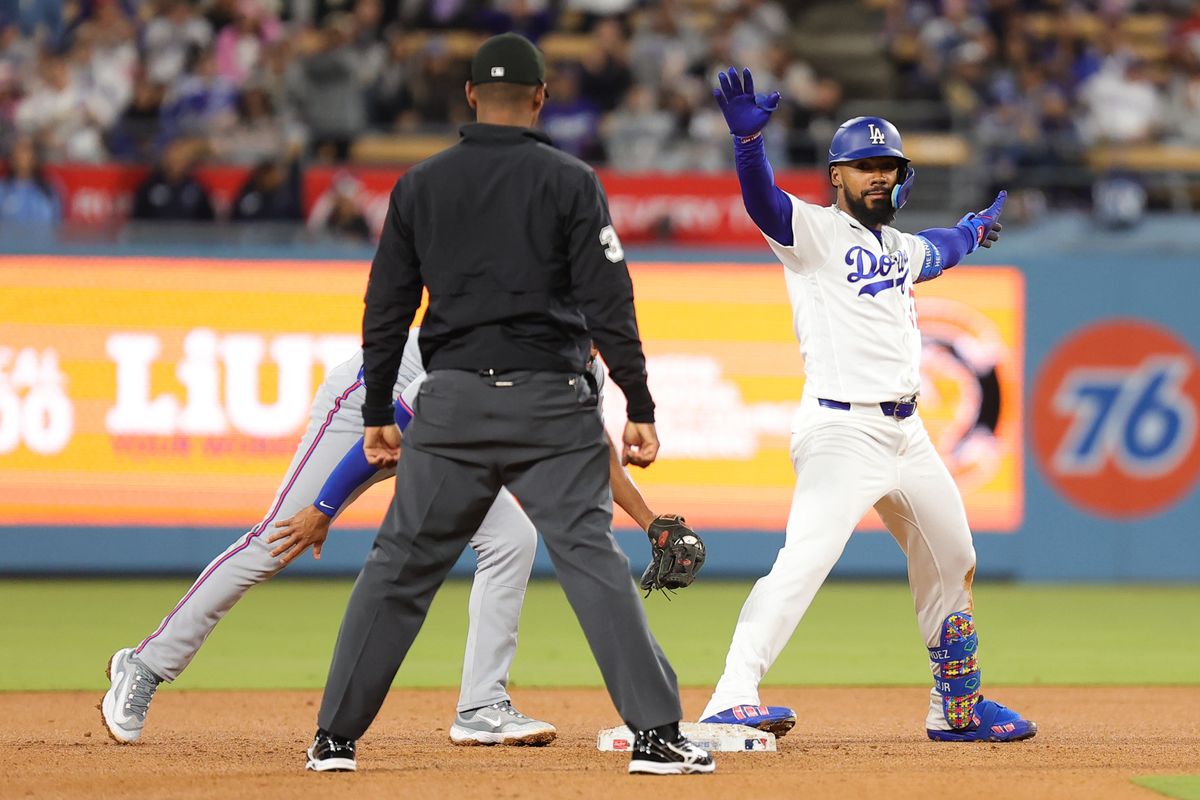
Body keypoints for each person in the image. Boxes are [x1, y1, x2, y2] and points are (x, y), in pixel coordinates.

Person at [307, 33, 713, 777]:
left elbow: (386, 310)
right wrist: (639, 401)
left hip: (452, 402)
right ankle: (656, 736)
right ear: (540, 98)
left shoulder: (420, 185)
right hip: (550, 405)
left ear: (468, 95)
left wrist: (373, 413)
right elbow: (608, 300)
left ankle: (333, 738)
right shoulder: (569, 180)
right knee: (591, 560)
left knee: (399, 565)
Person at [100, 330, 683, 750]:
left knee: (511, 538)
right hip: (371, 405)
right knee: (276, 540)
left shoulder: (583, 368)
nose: (593, 345)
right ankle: (145, 665)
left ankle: (482, 706)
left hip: (444, 430)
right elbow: (399, 419)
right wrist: (324, 508)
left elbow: (591, 450)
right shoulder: (496, 344)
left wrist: (651, 521)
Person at [697, 68, 1037, 745]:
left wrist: (970, 232)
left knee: (953, 552)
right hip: (840, 429)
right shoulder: (814, 233)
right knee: (806, 560)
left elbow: (937, 251)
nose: (878, 177)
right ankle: (731, 695)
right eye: (864, 167)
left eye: (888, 167)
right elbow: (763, 203)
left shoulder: (896, 247)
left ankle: (956, 710)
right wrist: (748, 144)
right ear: (837, 178)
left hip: (908, 434)